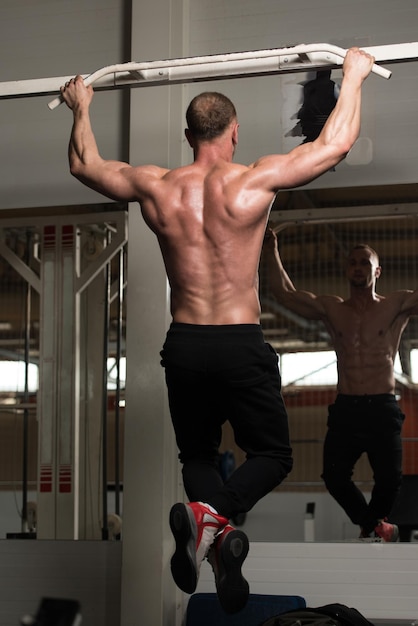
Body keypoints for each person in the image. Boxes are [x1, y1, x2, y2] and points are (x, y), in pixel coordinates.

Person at [60, 47, 374, 612]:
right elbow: (335, 144)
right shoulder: (255, 179)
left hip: (184, 346)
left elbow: (84, 165)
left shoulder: (157, 186)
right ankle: (212, 519)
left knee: (197, 459)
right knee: (274, 455)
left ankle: (221, 538)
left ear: (189, 137)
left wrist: (81, 107)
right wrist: (353, 76)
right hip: (238, 342)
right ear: (232, 133)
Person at [264, 230, 418, 542]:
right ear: (346, 270)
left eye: (365, 262)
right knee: (334, 478)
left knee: (390, 481)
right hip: (347, 407)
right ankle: (374, 526)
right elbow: (284, 294)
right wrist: (271, 248)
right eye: (352, 263)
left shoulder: (396, 305)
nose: (358, 267)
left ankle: (372, 526)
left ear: (377, 271)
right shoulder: (332, 308)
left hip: (383, 406)